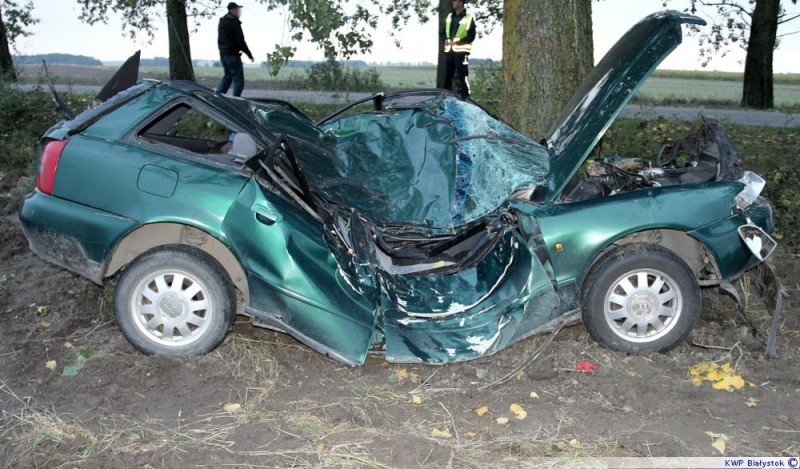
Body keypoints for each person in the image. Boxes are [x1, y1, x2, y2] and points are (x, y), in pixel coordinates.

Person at [216, 2, 254, 97]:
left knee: (228, 77)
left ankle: (217, 97)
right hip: (233, 54)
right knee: (238, 79)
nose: (239, 12)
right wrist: (249, 54)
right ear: (231, 10)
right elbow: (240, 41)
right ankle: (236, 100)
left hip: (223, 54)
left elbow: (220, 39)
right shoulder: (234, 23)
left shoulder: (222, 22)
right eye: (237, 10)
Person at [441, 0, 476, 100]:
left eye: (454, 0)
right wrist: (446, 40)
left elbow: (471, 37)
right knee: (447, 77)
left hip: (461, 53)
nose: (452, 2)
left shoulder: (469, 17)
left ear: (460, 2)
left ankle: (466, 98)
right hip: (449, 52)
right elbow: (443, 33)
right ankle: (446, 98)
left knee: (463, 76)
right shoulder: (449, 17)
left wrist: (457, 42)